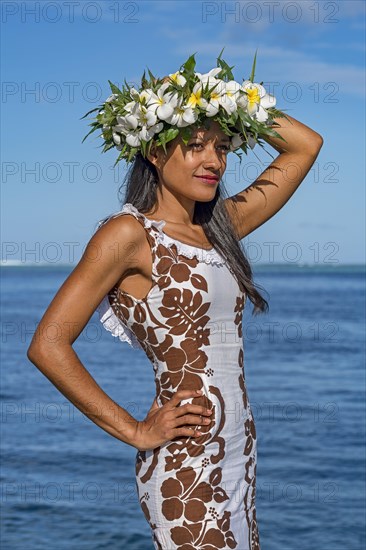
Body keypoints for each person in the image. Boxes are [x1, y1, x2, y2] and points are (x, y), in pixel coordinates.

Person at [27, 53, 323, 549]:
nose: (214, 161)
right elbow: (48, 344)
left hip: (238, 450)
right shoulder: (127, 235)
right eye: (194, 145)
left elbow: (304, 146)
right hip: (185, 460)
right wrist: (136, 431)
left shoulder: (221, 226)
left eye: (223, 147)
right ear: (153, 151)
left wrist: (225, 101)